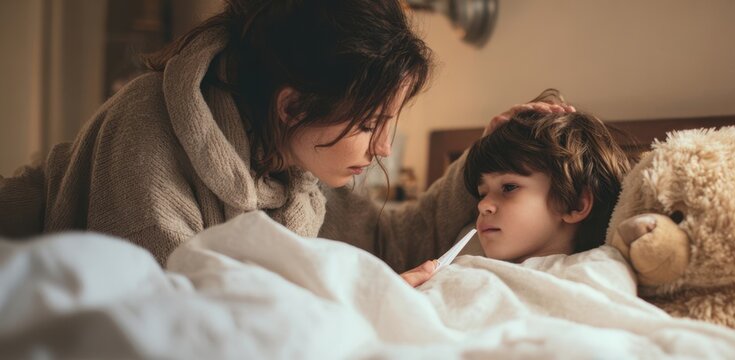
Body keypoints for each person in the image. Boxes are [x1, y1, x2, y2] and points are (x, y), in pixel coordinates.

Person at [0, 0, 571, 279]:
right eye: (371, 124)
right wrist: (354, 299)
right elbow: (161, 312)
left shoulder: (293, 164)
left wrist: (481, 161)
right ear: (293, 105)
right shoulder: (149, 131)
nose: (381, 149)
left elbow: (389, 239)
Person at [401, 90, 631, 286]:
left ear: (575, 204)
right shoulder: (461, 262)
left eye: (509, 187)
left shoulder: (596, 272)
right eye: (482, 193)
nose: (482, 205)